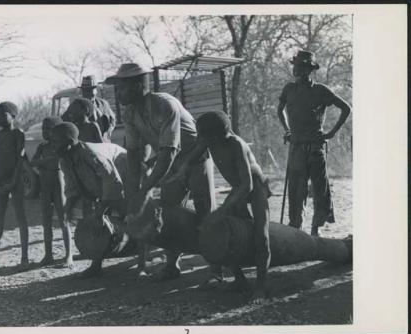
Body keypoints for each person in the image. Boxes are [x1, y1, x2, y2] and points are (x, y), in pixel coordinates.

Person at [105, 63, 216, 281]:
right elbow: (135, 153)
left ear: (138, 86)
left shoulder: (165, 105)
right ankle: (172, 266)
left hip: (195, 160)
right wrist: (136, 189)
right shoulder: (130, 113)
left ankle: (216, 269)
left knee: (206, 214)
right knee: (169, 214)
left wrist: (146, 189)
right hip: (170, 165)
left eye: (123, 89)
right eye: (117, 89)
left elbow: (168, 153)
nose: (118, 94)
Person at [165, 111, 272, 302]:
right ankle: (240, 280)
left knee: (261, 238)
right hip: (238, 188)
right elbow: (191, 157)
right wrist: (180, 171)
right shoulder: (207, 140)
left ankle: (261, 288)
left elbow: (247, 185)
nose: (201, 140)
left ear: (217, 135)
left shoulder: (236, 145)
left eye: (205, 137)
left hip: (256, 187)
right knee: (225, 234)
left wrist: (223, 210)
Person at [50, 122, 147, 277]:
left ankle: (142, 265)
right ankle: (96, 265)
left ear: (69, 143)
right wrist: (67, 211)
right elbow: (73, 187)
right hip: (106, 182)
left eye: (55, 142)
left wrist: (100, 212)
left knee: (133, 217)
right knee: (95, 221)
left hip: (125, 171)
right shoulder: (64, 159)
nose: (52, 146)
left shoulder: (92, 154)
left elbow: (113, 184)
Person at [277, 50, 352, 236]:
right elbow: (280, 110)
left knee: (319, 189)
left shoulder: (320, 90)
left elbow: (346, 108)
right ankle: (296, 228)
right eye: (296, 66)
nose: (298, 70)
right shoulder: (289, 89)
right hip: (296, 148)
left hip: (315, 148)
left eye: (302, 67)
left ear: (310, 70)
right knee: (296, 189)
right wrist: (287, 130)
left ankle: (315, 229)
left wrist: (332, 133)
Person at [0, 101, 29, 273]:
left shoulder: (18, 133)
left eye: (3, 115)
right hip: (1, 182)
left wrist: (12, 181)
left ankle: (24, 257)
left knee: (21, 218)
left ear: (13, 116)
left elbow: (19, 160)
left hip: (15, 182)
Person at [30, 116, 73, 268]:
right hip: (45, 184)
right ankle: (48, 255)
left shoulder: (60, 147)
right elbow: (32, 162)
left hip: (58, 183)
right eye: (43, 129)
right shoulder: (42, 147)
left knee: (63, 220)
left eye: (48, 129)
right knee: (46, 222)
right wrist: (46, 161)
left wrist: (44, 162)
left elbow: (57, 162)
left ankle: (69, 256)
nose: (44, 132)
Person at [81, 75, 117, 142]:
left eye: (90, 89)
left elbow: (112, 120)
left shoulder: (103, 104)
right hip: (87, 144)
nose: (88, 92)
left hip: (103, 142)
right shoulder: (77, 105)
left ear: (95, 90)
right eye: (85, 90)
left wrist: (108, 132)